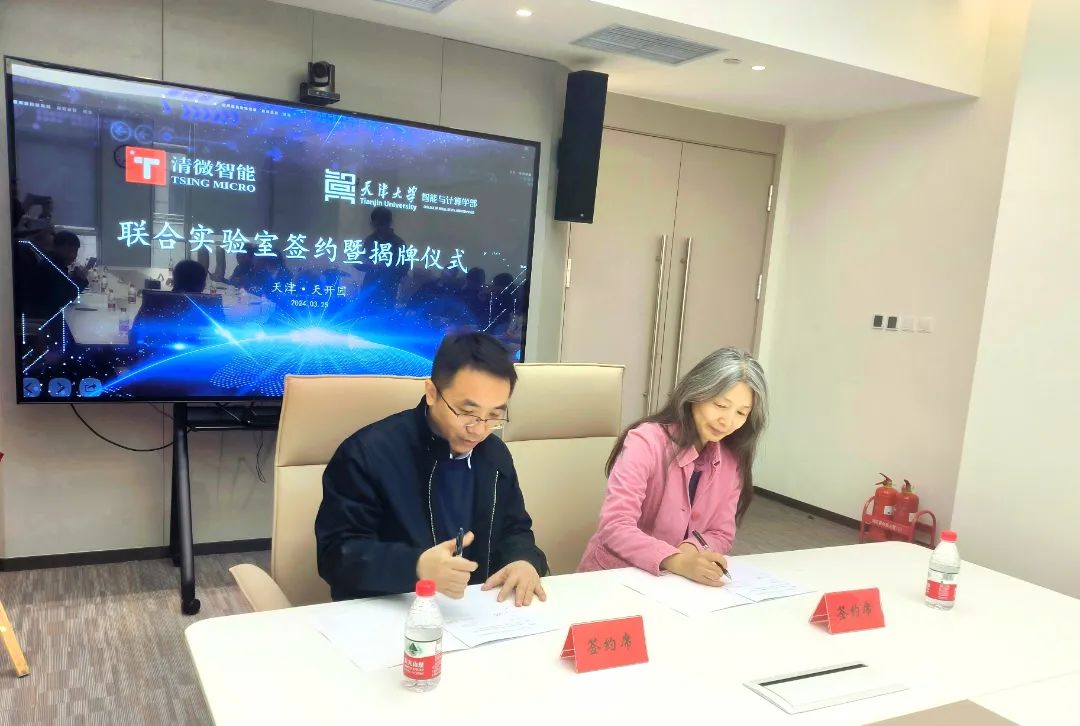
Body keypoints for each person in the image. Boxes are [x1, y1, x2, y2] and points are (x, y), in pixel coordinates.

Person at [316, 331, 549, 604]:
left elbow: (515, 528)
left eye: (494, 416)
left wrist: (523, 560)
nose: (479, 430)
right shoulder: (366, 454)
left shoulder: (494, 454)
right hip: (392, 610)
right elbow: (336, 555)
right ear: (431, 393)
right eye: (467, 412)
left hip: (474, 611)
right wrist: (416, 567)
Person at [578, 348, 769, 585]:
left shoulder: (731, 460)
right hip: (614, 576)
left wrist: (691, 550)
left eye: (741, 413)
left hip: (674, 584)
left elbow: (721, 533)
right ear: (696, 393)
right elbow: (615, 526)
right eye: (720, 405)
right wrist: (676, 560)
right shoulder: (645, 441)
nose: (727, 421)